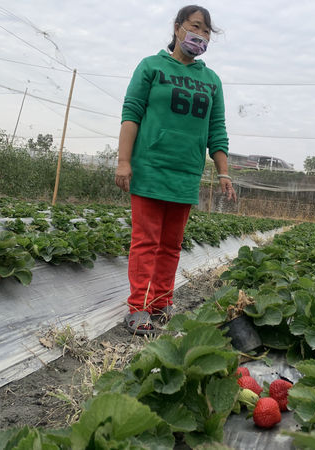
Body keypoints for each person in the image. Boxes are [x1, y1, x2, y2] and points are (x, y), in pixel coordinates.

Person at [115, 5, 236, 335]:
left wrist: (223, 171)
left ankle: (161, 303)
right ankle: (138, 307)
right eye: (195, 26)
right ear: (178, 27)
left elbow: (217, 129)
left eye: (207, 31)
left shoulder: (211, 81)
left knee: (170, 244)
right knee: (145, 242)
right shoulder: (151, 67)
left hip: (186, 174)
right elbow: (132, 114)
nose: (201, 34)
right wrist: (124, 161)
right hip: (151, 169)